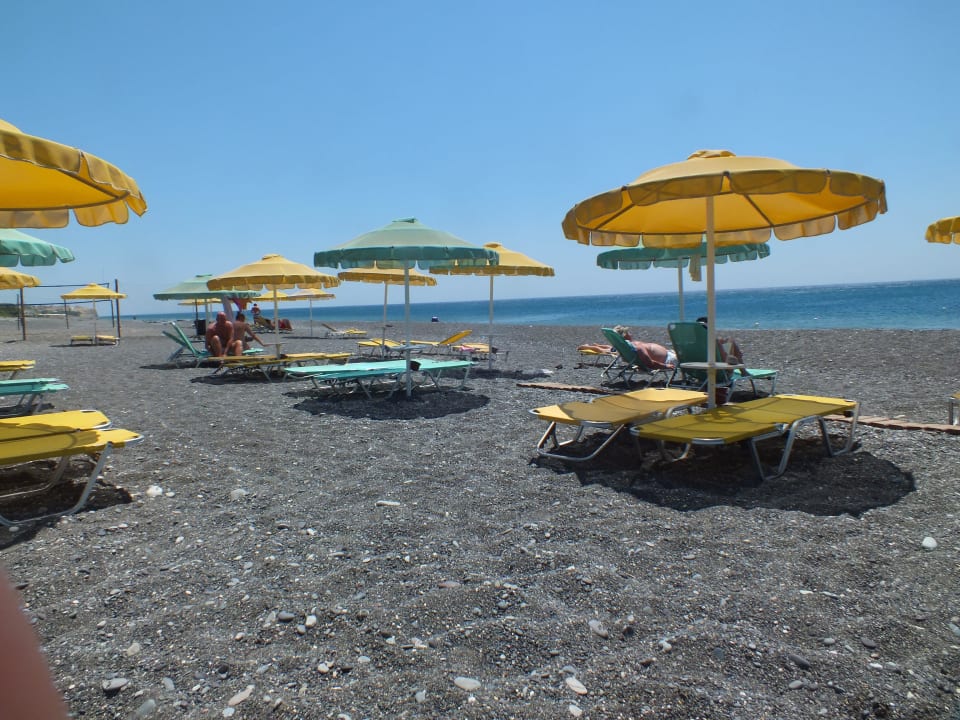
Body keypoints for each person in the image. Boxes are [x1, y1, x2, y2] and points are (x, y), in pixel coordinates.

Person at [612, 325, 677, 370]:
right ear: (625, 335)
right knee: (686, 358)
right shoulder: (637, 347)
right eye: (628, 332)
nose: (630, 334)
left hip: (669, 353)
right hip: (669, 359)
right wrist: (665, 366)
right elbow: (649, 363)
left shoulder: (626, 347)